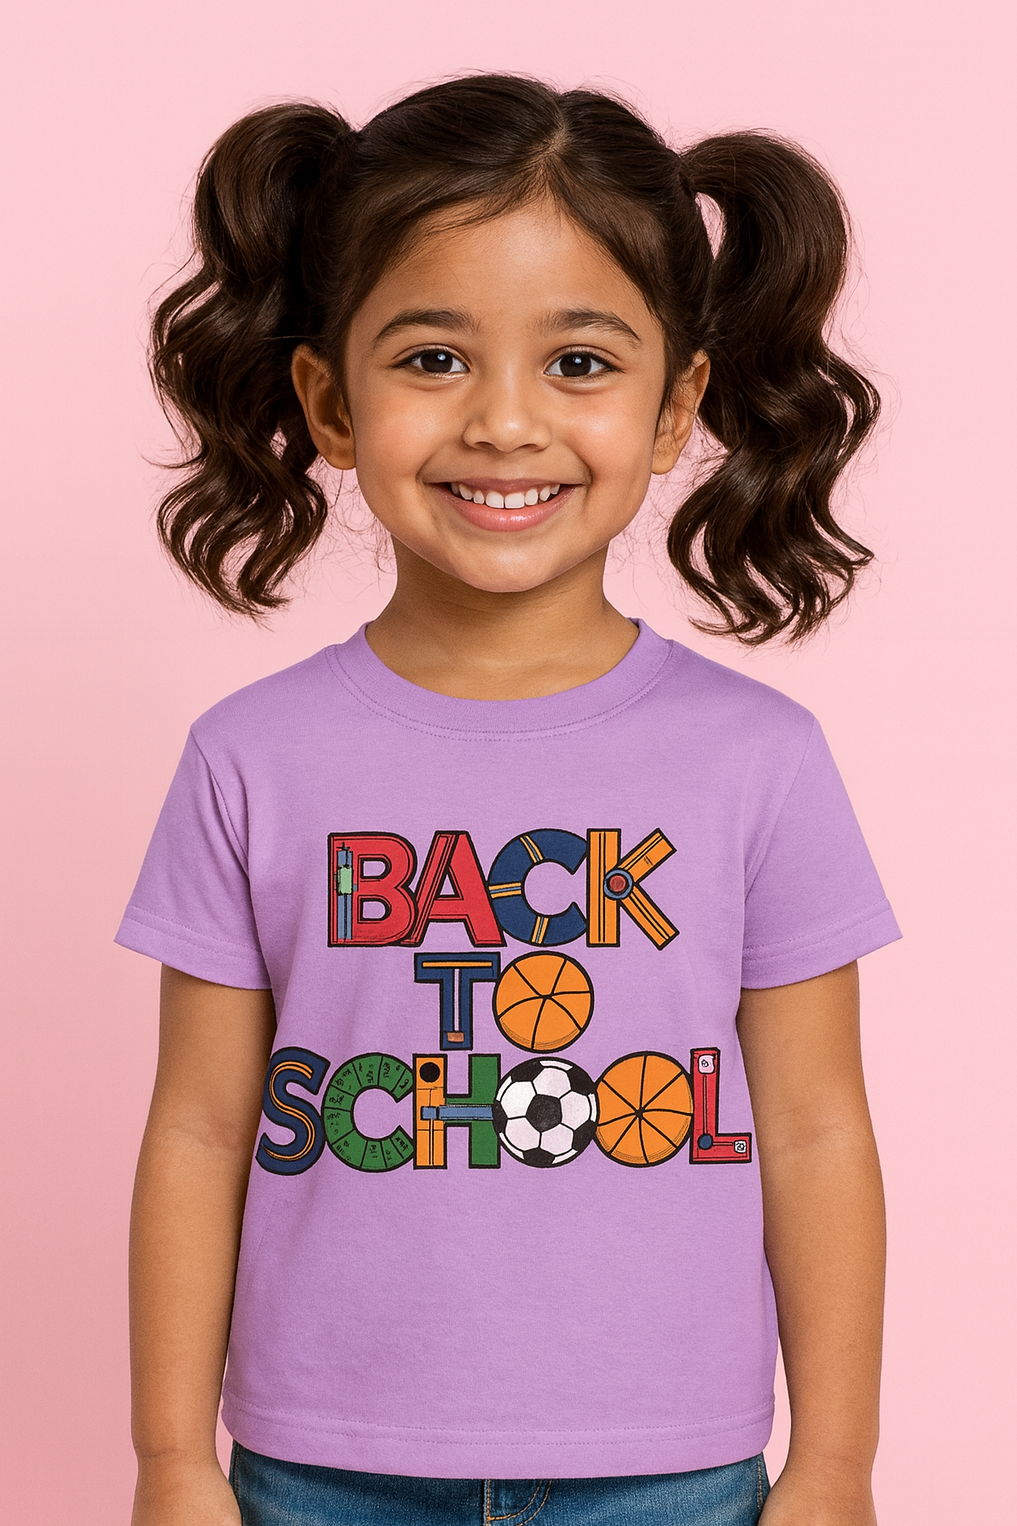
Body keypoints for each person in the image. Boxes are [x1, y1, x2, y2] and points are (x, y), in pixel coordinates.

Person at [118, 74, 900, 1526]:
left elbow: (812, 1126)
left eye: (581, 364)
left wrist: (837, 1463)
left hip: (669, 1473)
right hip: (319, 1469)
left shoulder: (759, 759)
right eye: (430, 356)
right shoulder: (249, 757)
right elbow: (200, 1127)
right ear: (327, 401)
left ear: (678, 411)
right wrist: (172, 1454)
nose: (503, 421)